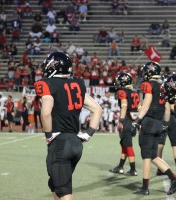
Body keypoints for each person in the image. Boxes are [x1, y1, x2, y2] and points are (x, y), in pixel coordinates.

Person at [34, 52, 102, 200]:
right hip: (76, 143)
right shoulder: (77, 83)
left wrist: (48, 135)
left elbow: (45, 113)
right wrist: (88, 134)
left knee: (64, 192)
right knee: (55, 185)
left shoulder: (46, 83)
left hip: (60, 143)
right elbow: (97, 109)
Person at [132, 62, 176, 195]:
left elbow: (146, 105)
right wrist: (165, 124)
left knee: (146, 155)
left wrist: (137, 121)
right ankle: (174, 178)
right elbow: (166, 108)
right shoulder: (163, 86)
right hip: (159, 122)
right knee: (153, 155)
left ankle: (145, 187)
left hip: (149, 122)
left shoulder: (148, 84)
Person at [109, 73, 139, 176]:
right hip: (133, 119)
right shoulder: (134, 92)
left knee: (128, 145)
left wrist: (121, 121)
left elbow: (124, 106)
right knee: (124, 144)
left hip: (126, 119)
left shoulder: (122, 92)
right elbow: (138, 107)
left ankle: (133, 169)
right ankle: (120, 167)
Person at [156, 72, 176, 176]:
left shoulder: (159, 91)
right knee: (175, 145)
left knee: (160, 144)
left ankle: (160, 168)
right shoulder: (173, 92)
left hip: (162, 119)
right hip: (172, 119)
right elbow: (172, 108)